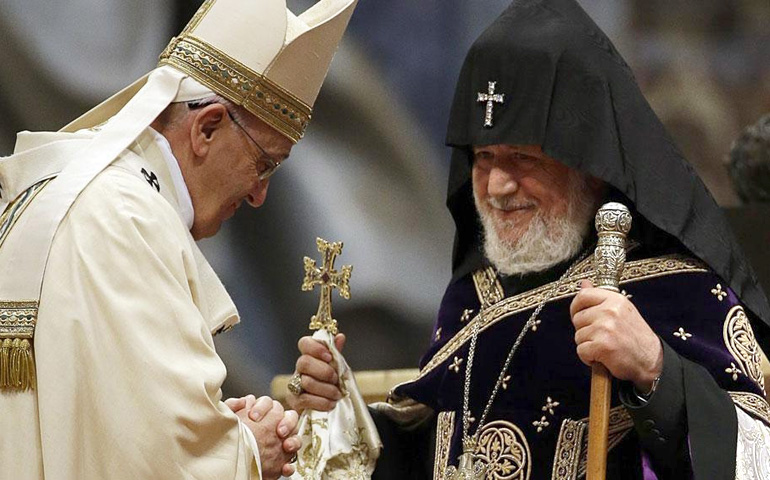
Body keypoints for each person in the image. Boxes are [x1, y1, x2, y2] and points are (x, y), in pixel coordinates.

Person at [287, 0, 770, 478]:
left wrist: (655, 369)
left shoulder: (678, 292)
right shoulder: (471, 296)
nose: (498, 186)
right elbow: (435, 454)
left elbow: (754, 458)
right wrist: (341, 413)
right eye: (484, 158)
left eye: (523, 159)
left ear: (590, 166)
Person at [0, 0, 357, 478]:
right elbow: (156, 459)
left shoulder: (78, 191)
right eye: (264, 164)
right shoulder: (127, 218)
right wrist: (247, 450)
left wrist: (217, 429)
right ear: (207, 127)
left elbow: (102, 427)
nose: (259, 195)